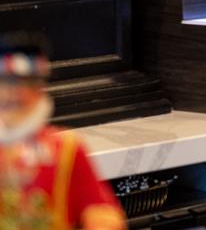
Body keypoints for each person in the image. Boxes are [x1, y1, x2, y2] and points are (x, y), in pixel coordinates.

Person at [0, 32, 125, 229]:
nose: (11, 95)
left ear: (39, 91)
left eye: (24, 86)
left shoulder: (66, 149)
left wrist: (101, 221)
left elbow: (99, 208)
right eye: (5, 84)